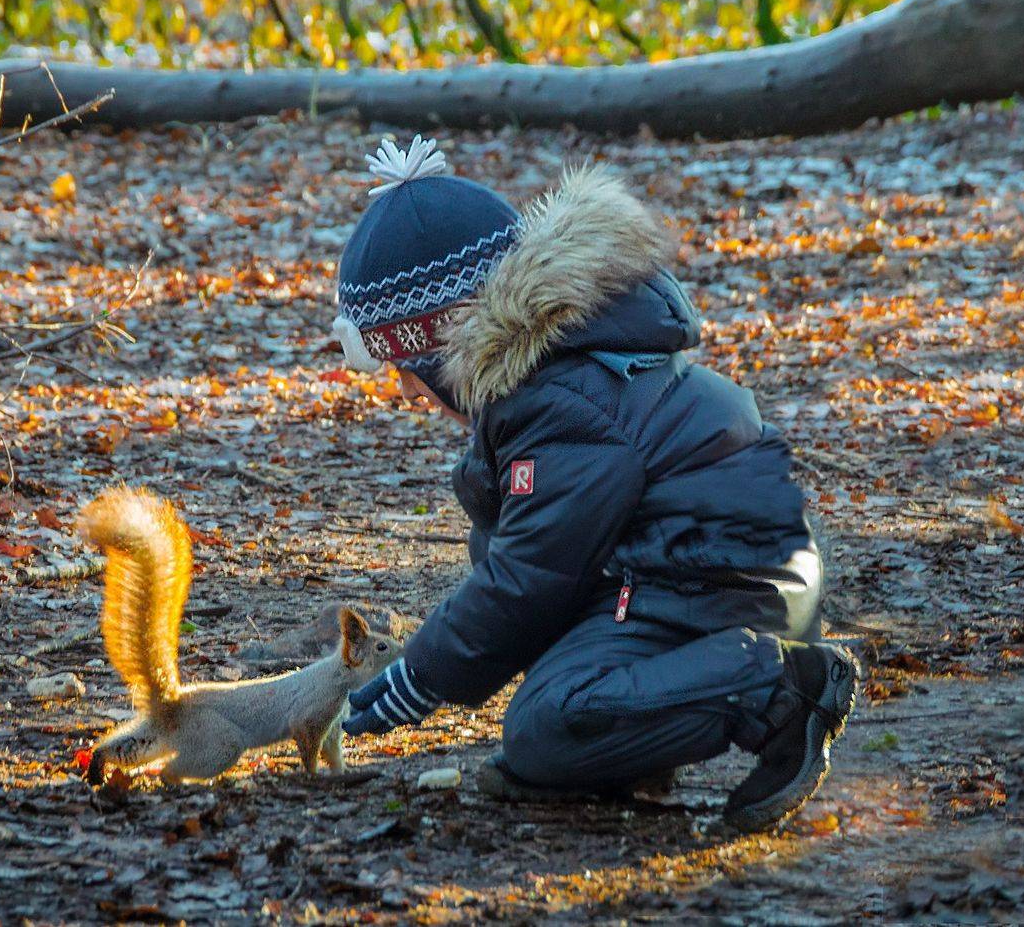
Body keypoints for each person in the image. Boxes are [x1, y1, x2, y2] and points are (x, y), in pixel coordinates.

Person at [334, 136, 858, 833]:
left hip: (727, 587)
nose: (403, 389)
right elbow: (525, 559)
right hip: (693, 575)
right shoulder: (562, 371)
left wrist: (421, 675)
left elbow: (530, 579)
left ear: (441, 347)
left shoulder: (561, 401)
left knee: (544, 728)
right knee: (498, 548)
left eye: (402, 367)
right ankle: (624, 749)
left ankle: (782, 691)